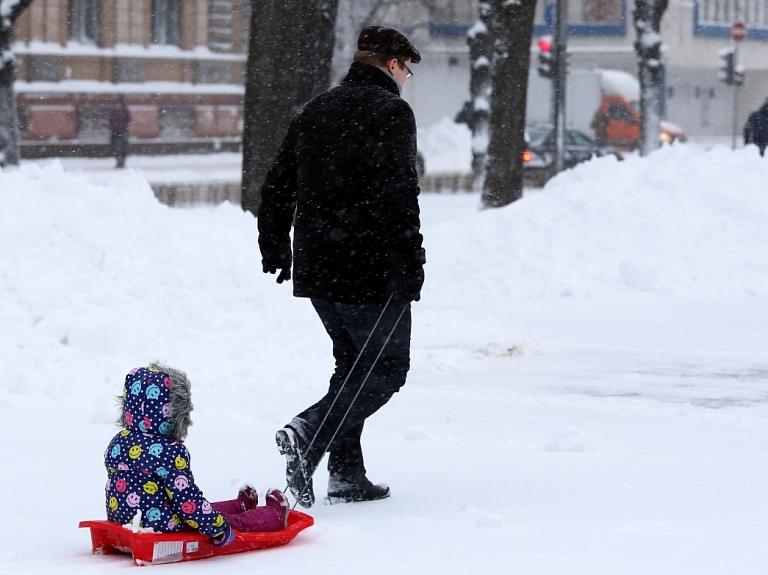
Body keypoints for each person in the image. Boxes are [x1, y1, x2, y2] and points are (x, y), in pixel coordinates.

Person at [257, 26, 426, 509]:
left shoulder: (316, 109)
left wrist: (275, 246)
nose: (407, 78)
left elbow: (277, 185)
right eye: (407, 69)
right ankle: (310, 433)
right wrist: (409, 261)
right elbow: (399, 193)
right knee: (387, 368)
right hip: (371, 266)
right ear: (393, 65)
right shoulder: (391, 112)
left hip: (319, 266)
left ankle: (347, 475)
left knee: (353, 365)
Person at [104, 363, 290, 545]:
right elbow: (187, 501)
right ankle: (273, 517)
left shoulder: (118, 442)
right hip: (164, 527)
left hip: (125, 520)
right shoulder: (169, 451)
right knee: (218, 520)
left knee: (204, 510)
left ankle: (238, 506)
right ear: (174, 411)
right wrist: (218, 529)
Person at [108, 95, 132, 168]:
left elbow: (129, 119)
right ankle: (119, 161)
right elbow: (111, 121)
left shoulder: (124, 111)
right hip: (116, 131)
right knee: (115, 147)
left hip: (122, 131)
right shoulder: (114, 111)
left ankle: (122, 161)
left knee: (123, 147)